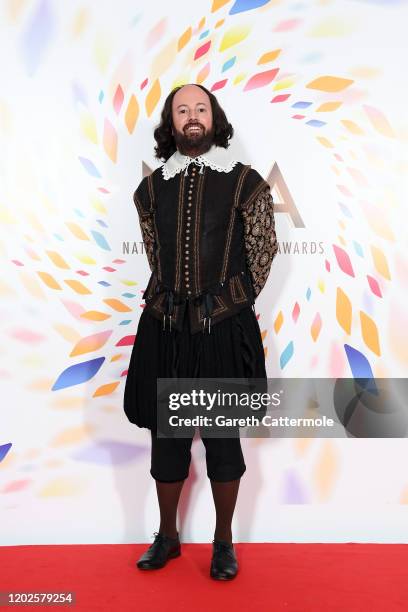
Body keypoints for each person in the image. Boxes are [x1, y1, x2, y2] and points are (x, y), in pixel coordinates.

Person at [123, 83, 278, 580]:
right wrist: (174, 304)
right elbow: (154, 252)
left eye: (201, 109)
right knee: (166, 440)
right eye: (182, 110)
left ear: (215, 118)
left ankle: (224, 543)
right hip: (165, 329)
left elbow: (262, 254)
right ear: (171, 124)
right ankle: (167, 536)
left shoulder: (244, 182)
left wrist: (221, 305)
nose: (193, 117)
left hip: (221, 330)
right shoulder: (150, 190)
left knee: (221, 439)